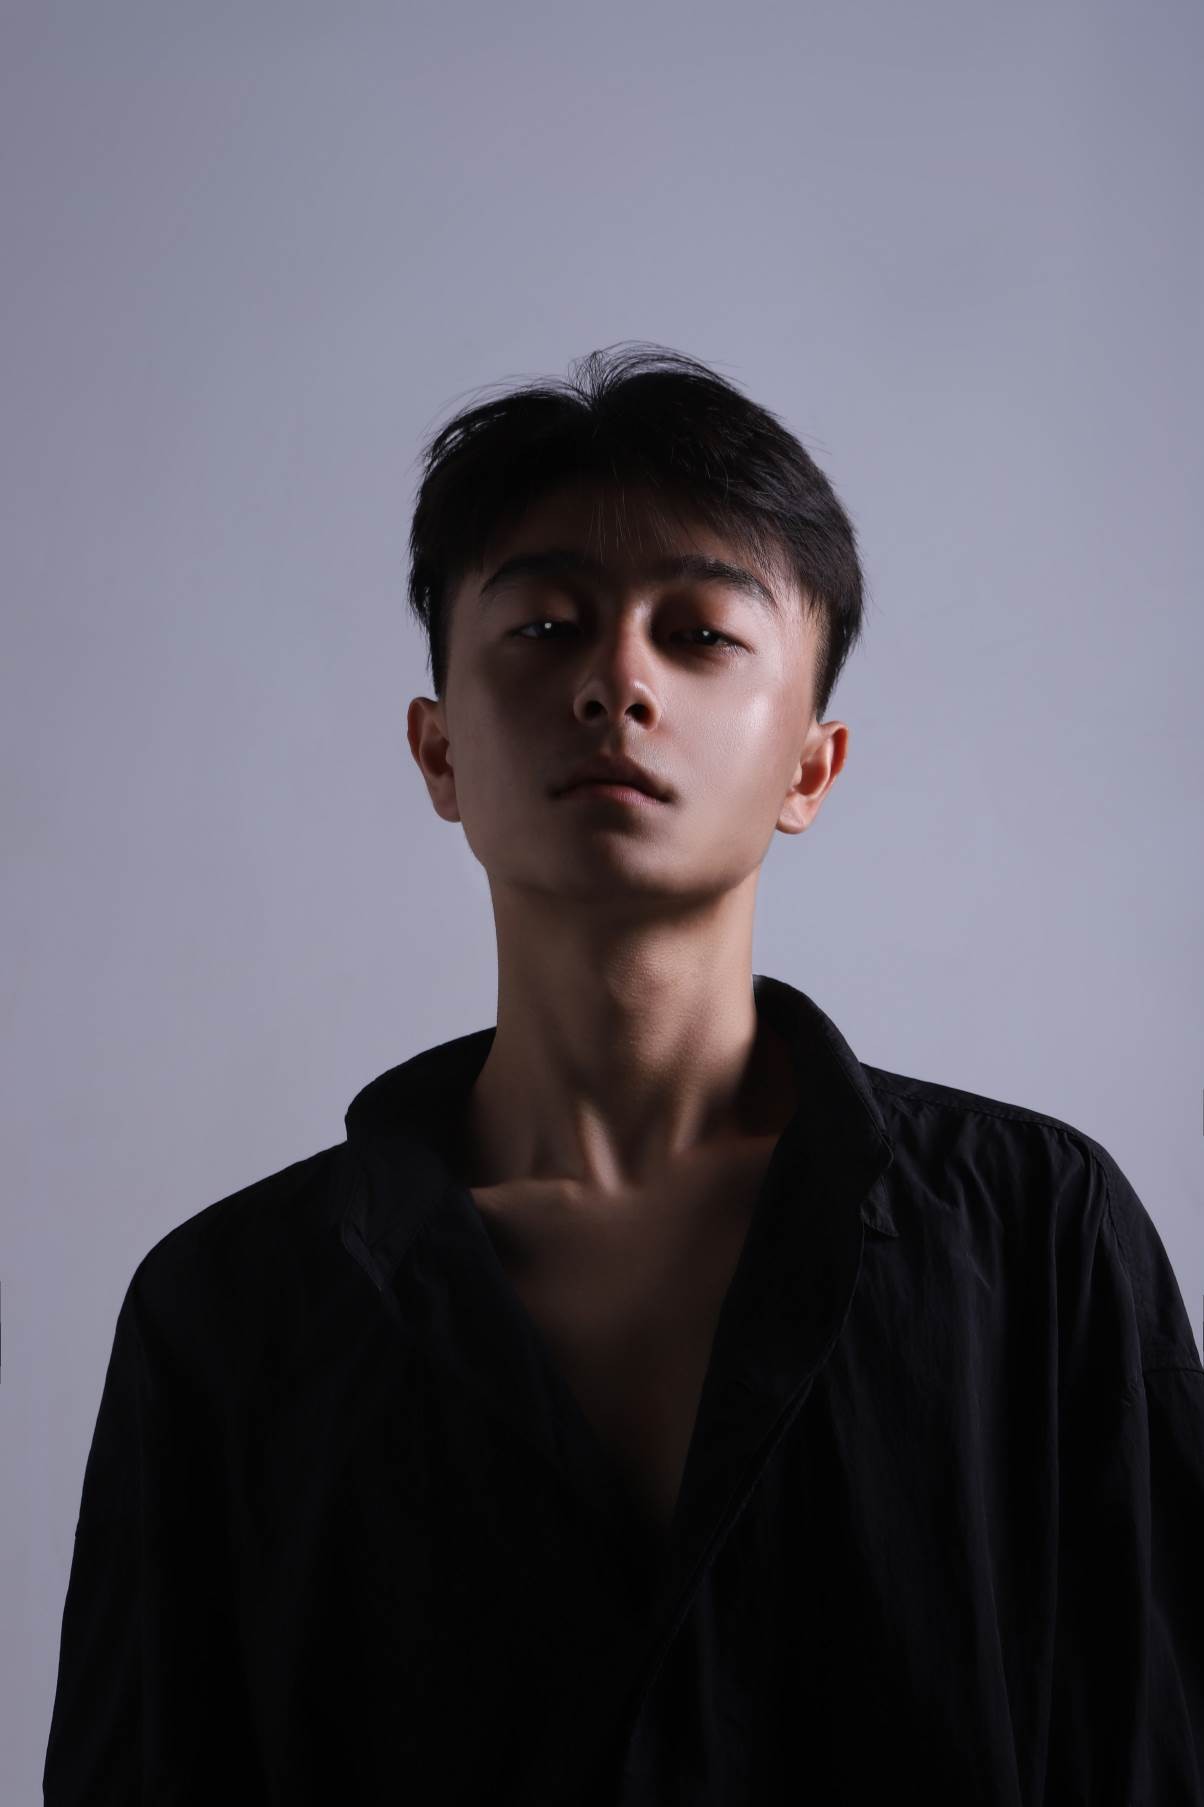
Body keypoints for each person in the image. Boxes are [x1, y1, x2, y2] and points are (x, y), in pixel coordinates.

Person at [44, 344, 1203, 1804]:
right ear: (438, 750)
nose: (617, 683)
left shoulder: (1040, 1241)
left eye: (701, 633)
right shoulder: (226, 1313)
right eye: (545, 625)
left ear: (812, 768)